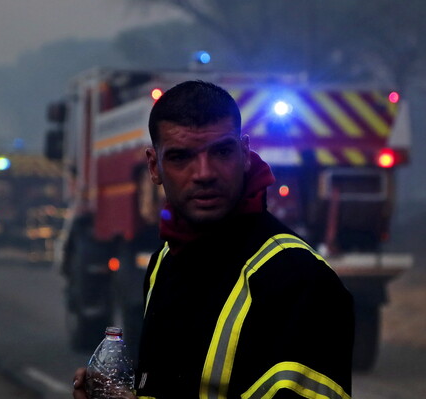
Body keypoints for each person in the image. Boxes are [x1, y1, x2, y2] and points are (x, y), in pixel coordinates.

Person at [73, 81, 354, 399]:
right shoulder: (164, 263)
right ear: (154, 167)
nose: (204, 173)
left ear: (245, 154)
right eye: (181, 157)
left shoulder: (300, 280)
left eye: (221, 152)